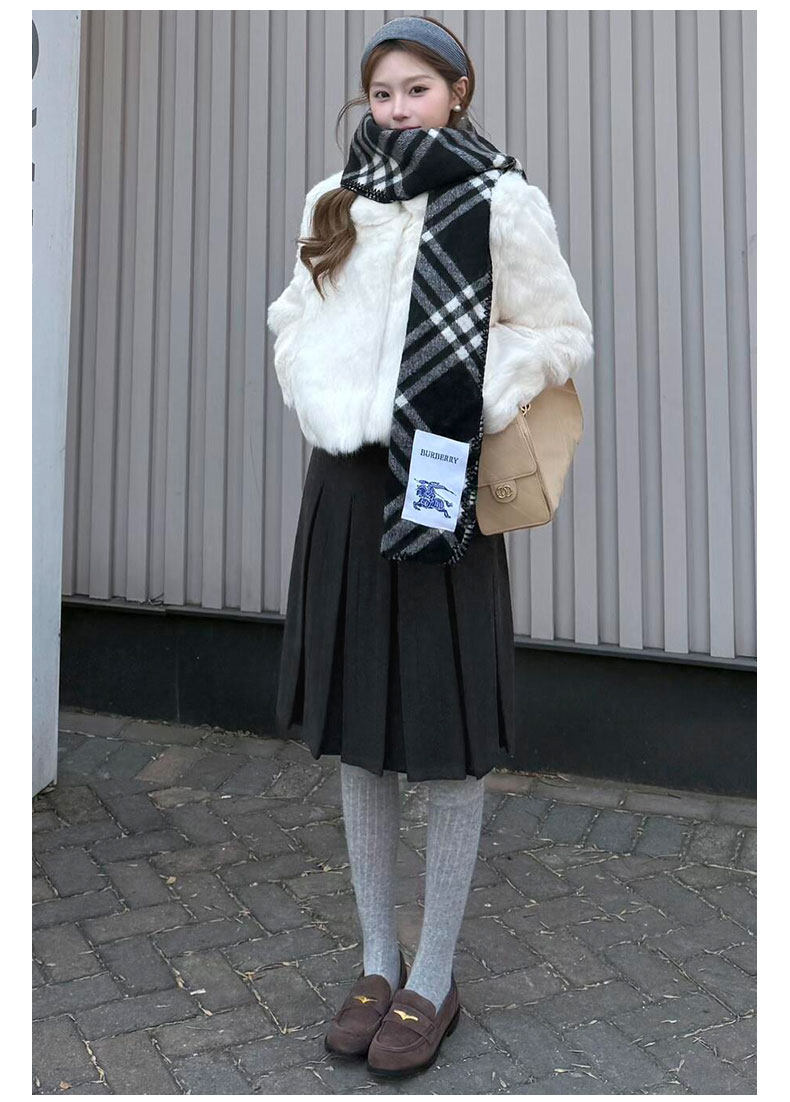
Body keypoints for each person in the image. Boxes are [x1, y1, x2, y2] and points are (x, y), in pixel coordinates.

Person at [267, 15, 593, 1080]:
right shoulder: (336, 198)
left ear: (458, 91)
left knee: (445, 735)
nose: (397, 107)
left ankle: (434, 975)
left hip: (442, 480)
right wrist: (315, 380)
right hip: (348, 488)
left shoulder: (501, 199)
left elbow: (559, 332)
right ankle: (377, 958)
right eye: (382, 92)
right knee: (362, 733)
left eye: (416, 88)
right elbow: (291, 314)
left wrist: (466, 395)